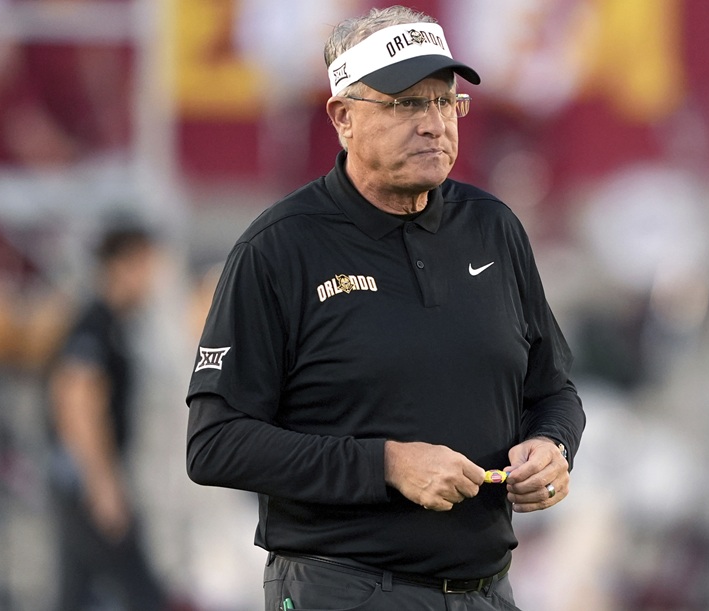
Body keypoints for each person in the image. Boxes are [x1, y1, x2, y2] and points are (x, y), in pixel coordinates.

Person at [185, 6, 585, 610]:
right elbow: (216, 444)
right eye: (405, 103)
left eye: (446, 101)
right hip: (344, 587)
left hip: (486, 590)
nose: (434, 123)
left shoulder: (493, 228)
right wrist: (386, 465)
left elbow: (553, 391)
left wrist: (553, 447)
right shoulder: (281, 248)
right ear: (343, 117)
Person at [47, 223, 168, 610]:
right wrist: (103, 485)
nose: (152, 281)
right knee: (143, 594)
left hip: (78, 484)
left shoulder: (113, 325)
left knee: (76, 596)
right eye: (147, 267)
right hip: (84, 484)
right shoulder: (96, 323)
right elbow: (76, 398)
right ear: (123, 265)